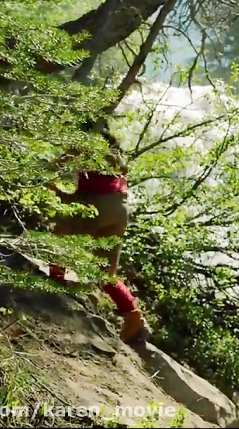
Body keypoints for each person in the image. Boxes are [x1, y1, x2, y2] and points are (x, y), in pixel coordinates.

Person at [45, 139, 151, 344]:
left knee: (59, 235)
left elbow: (55, 168)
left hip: (96, 202)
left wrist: (49, 185)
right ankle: (133, 315)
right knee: (106, 273)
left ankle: (55, 282)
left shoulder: (84, 141)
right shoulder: (116, 151)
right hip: (120, 207)